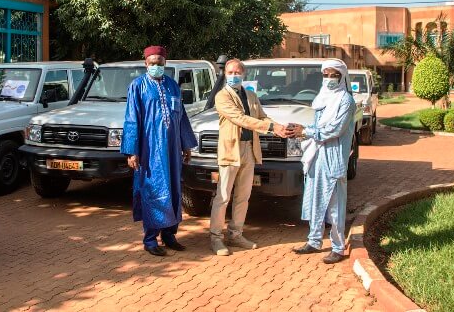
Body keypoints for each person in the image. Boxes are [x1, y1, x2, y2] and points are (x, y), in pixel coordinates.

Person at [120, 45, 197, 257]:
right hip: (149, 149)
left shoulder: (173, 86)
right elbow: (131, 119)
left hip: (172, 149)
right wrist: (131, 151)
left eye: (159, 63)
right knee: (153, 189)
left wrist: (186, 144)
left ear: (165, 63)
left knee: (173, 189)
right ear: (145, 64)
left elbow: (181, 117)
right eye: (152, 63)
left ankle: (170, 235)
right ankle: (151, 239)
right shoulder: (137, 87)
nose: (156, 66)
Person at [210, 58, 289, 256]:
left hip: (249, 149)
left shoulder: (251, 95)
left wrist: (278, 127)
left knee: (243, 196)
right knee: (223, 196)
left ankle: (236, 234)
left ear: (244, 74)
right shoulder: (222, 97)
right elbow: (240, 119)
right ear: (225, 74)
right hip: (230, 150)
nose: (234, 75)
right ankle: (216, 238)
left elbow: (261, 117)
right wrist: (271, 127)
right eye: (230, 72)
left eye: (237, 72)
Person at [289, 58, 356, 264]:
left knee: (334, 203)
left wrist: (306, 131)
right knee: (315, 197)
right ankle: (314, 240)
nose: (328, 79)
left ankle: (337, 247)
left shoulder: (345, 100)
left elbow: (334, 129)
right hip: (317, 155)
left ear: (342, 76)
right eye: (325, 75)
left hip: (333, 157)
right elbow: (317, 125)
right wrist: (301, 130)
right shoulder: (321, 98)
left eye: (333, 75)